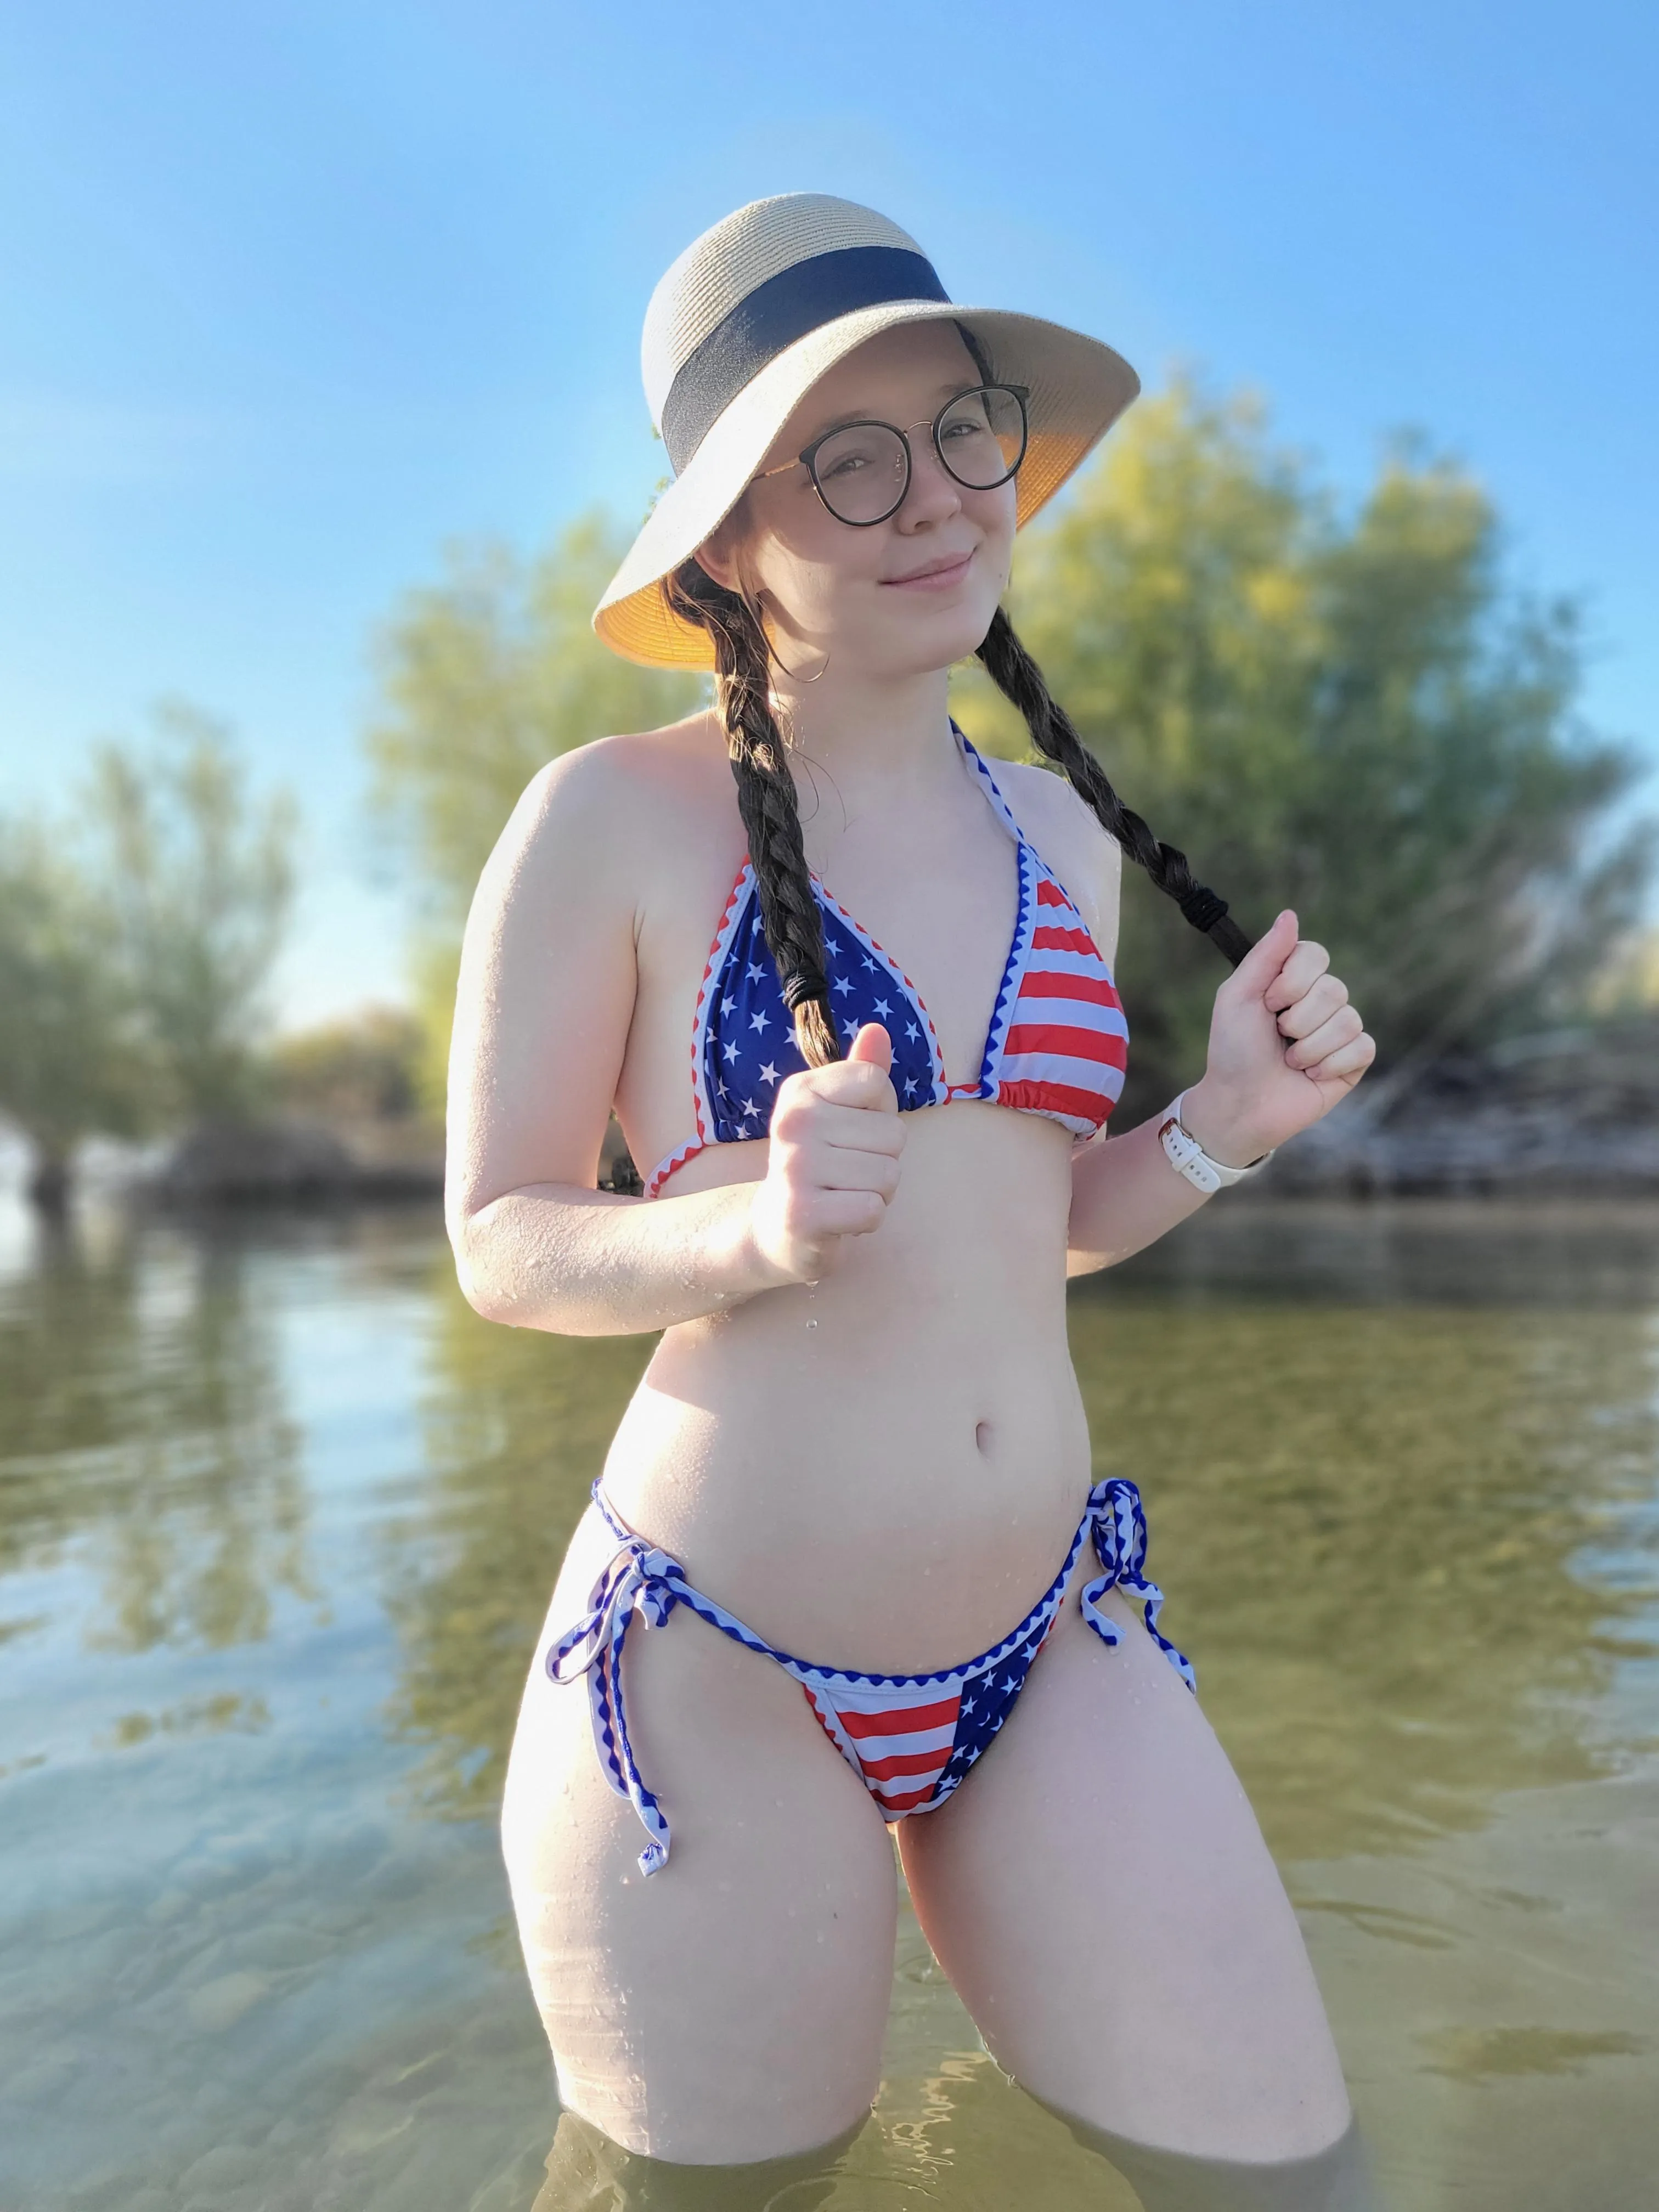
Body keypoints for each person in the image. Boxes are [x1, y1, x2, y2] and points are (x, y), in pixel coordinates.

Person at [447, 194, 1379, 2194]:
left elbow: (1039, 1229)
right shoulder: (608, 818)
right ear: (721, 539)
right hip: (713, 1682)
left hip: (1050, 1634)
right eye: (840, 462)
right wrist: (743, 1232)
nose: (933, 501)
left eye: (961, 432)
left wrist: (1223, 1125)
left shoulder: (1054, 824)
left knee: (1307, 2175)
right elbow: (502, 1239)